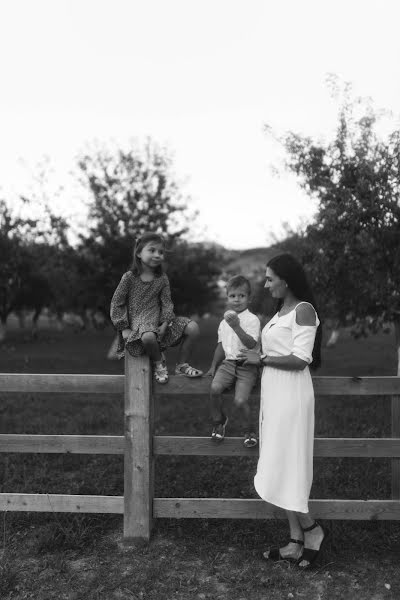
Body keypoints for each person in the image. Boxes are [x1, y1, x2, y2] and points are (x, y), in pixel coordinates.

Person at [238, 253, 327, 569]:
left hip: (292, 395)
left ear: (286, 279)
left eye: (270, 278)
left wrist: (262, 360)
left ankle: (312, 531)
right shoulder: (280, 312)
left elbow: (301, 358)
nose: (265, 284)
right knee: (277, 462)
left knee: (288, 463)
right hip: (274, 395)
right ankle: (294, 541)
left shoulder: (303, 310)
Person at [110, 232, 203, 384]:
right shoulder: (129, 277)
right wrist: (123, 328)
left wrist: (165, 323)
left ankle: (181, 365)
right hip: (140, 324)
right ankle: (159, 363)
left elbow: (167, 303)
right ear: (139, 253)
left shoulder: (162, 278)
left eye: (161, 252)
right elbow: (116, 302)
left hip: (160, 323)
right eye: (152, 250)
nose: (157, 255)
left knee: (193, 328)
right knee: (147, 336)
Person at [206, 275, 261, 447]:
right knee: (214, 388)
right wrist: (213, 365)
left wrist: (236, 326)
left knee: (240, 401)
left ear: (249, 298)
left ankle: (249, 429)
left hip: (247, 366)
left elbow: (252, 343)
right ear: (227, 297)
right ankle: (219, 420)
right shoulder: (223, 322)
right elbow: (221, 346)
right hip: (228, 364)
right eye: (232, 296)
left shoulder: (252, 320)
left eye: (241, 296)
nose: (237, 300)